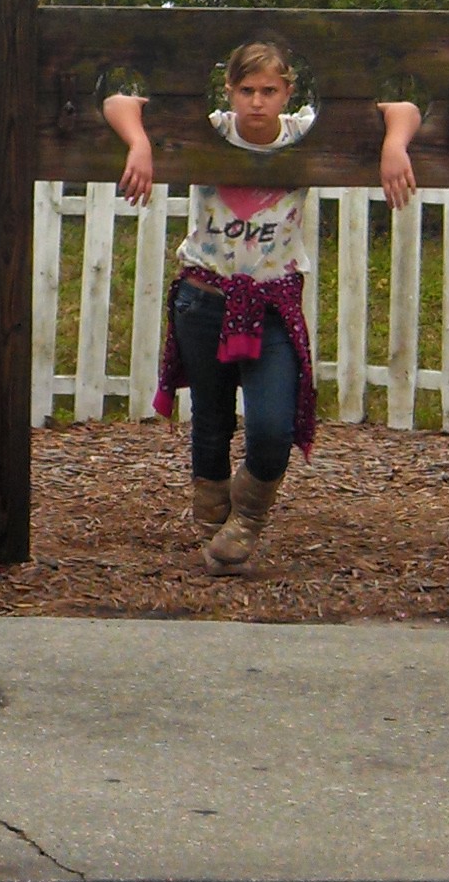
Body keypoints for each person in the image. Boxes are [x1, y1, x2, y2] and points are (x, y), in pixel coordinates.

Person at [104, 40, 417, 573]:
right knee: (210, 421)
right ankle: (214, 529)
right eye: (246, 89)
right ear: (229, 91)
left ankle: (246, 518)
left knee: (272, 427)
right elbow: (117, 101)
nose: (256, 101)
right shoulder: (211, 129)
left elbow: (404, 108)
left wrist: (394, 145)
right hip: (203, 297)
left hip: (272, 303)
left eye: (269, 90)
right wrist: (138, 144)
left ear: (287, 92)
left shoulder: (304, 134)